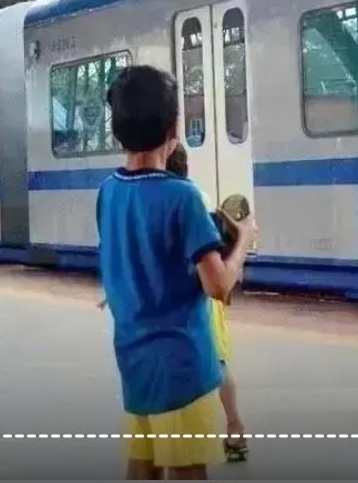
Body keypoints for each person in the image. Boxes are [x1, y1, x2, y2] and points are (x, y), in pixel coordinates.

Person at [96, 65, 257, 480]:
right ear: (173, 129)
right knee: (188, 472)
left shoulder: (108, 191)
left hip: (135, 366)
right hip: (183, 368)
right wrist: (243, 241)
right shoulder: (182, 197)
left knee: (142, 469)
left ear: (118, 131)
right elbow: (219, 286)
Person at [165, 143, 250, 463]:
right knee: (217, 361)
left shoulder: (188, 200)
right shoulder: (195, 197)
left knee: (212, 362)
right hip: (200, 293)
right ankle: (234, 428)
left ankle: (233, 427)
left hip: (196, 294)